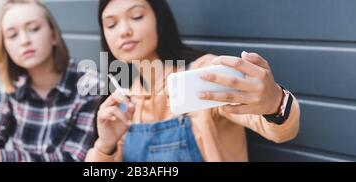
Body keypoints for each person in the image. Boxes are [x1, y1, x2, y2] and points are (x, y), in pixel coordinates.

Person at [86, 0, 300, 162]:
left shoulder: (204, 73)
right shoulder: (121, 100)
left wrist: (275, 103)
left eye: (137, 16)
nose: (124, 31)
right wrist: (105, 146)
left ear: (159, 19)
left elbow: (279, 132)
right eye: (111, 24)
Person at [0, 0, 99, 162]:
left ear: (54, 35)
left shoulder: (88, 84)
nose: (24, 40)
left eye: (34, 29)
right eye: (12, 35)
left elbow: (75, 159)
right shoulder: (11, 88)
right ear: (4, 47)